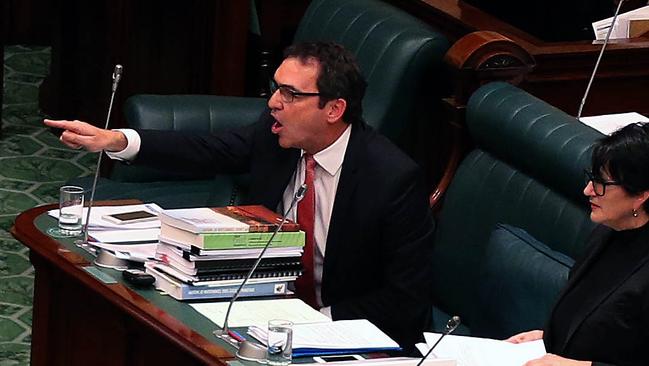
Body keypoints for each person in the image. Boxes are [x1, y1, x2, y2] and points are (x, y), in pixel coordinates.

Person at [44, 41, 435, 351]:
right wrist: (116, 140)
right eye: (275, 88)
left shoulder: (391, 180)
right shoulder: (275, 133)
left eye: (289, 93)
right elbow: (207, 148)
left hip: (337, 330)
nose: (273, 103)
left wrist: (307, 322)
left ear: (334, 108)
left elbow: (404, 301)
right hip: (256, 301)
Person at [507, 122, 649, 366]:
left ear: (640, 195)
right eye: (591, 178)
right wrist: (546, 338)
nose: (587, 190)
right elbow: (593, 322)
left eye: (601, 183)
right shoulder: (605, 233)